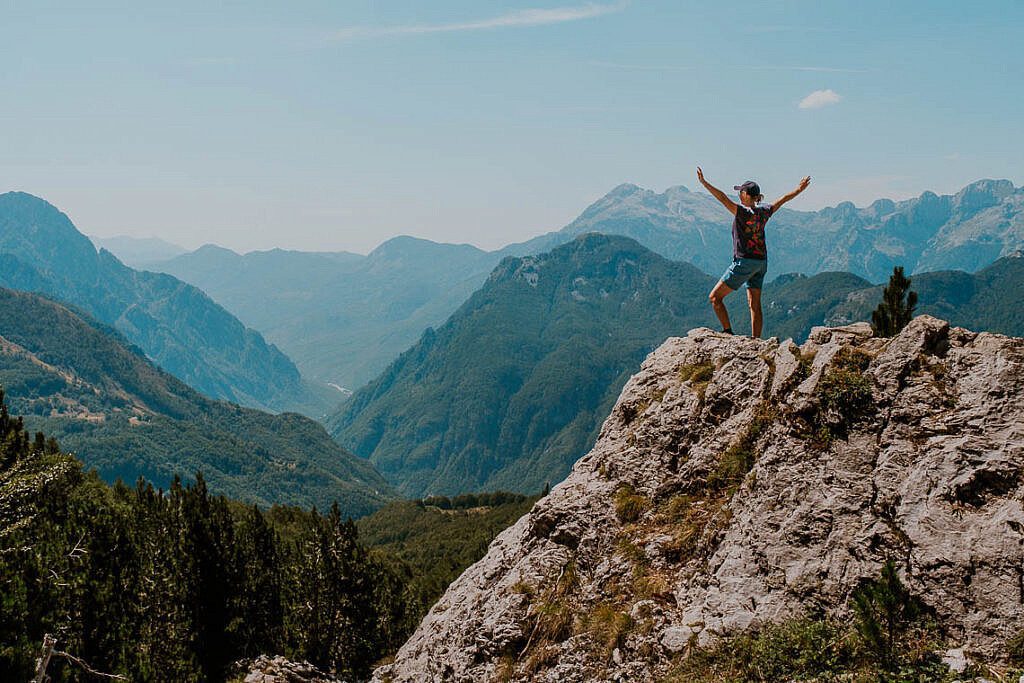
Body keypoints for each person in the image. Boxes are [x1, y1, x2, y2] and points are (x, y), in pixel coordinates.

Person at [696, 167, 811, 338]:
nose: (738, 195)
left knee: (715, 297)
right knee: (754, 304)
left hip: (744, 262)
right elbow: (783, 200)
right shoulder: (764, 211)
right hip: (761, 262)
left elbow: (722, 198)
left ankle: (727, 332)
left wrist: (704, 183)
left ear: (747, 196)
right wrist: (799, 189)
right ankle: (756, 340)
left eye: (741, 192)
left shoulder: (741, 212)